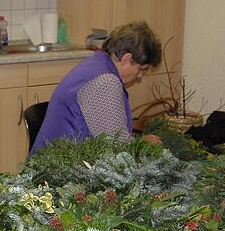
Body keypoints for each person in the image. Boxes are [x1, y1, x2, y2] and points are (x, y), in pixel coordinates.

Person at [30, 20, 163, 154]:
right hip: (60, 170)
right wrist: (143, 144)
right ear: (126, 59)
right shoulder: (105, 82)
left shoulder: (96, 63)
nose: (140, 77)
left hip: (57, 162)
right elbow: (116, 150)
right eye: (141, 69)